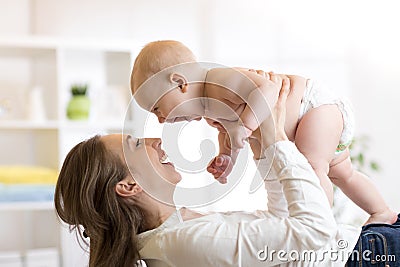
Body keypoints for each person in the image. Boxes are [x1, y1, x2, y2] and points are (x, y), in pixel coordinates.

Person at [55, 80, 364, 267]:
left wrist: (257, 144)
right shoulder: (184, 242)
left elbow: (283, 225)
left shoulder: (178, 233)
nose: (156, 139)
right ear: (129, 185)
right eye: (136, 144)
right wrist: (274, 138)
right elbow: (316, 231)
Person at [130, 40, 396, 225]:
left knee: (313, 168)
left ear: (179, 83)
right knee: (343, 173)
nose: (161, 121)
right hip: (311, 124)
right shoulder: (211, 111)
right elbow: (228, 131)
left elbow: (267, 89)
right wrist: (228, 157)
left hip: (313, 108)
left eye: (157, 108)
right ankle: (381, 211)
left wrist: (244, 127)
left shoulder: (216, 82)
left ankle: (320, 227)